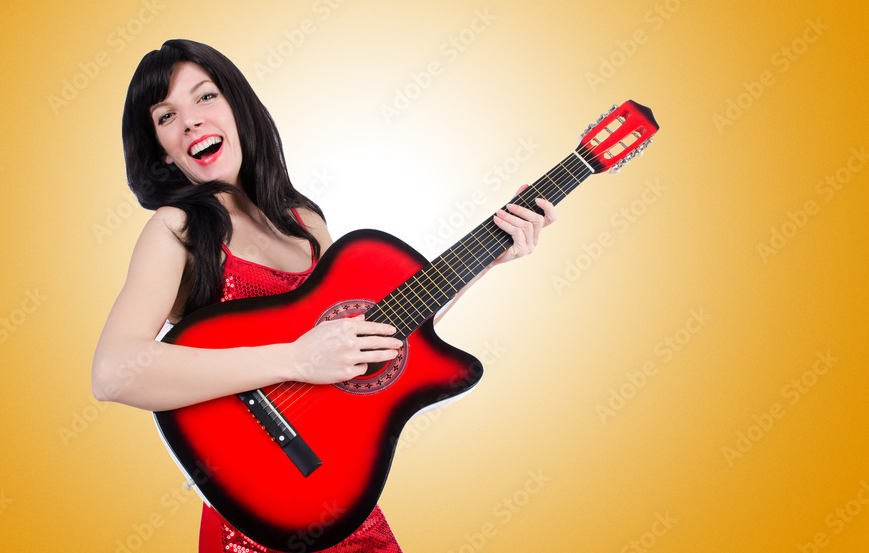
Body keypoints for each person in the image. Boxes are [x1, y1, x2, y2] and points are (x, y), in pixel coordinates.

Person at [91, 39, 556, 552]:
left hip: (345, 505)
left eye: (205, 98)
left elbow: (379, 336)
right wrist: (297, 358)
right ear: (161, 148)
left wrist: (487, 257)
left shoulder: (304, 223)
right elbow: (114, 371)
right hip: (258, 523)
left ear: (237, 105)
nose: (191, 122)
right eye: (166, 115)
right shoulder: (177, 229)